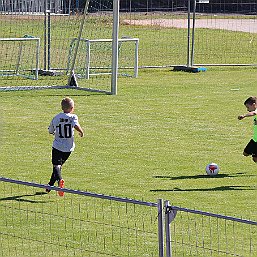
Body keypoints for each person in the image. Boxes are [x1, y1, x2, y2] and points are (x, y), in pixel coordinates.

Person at [46, 97, 84, 196]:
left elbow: (50, 130)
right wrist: (81, 131)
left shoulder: (56, 117)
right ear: (72, 108)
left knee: (56, 166)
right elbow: (75, 125)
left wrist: (53, 132)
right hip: (68, 148)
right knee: (58, 166)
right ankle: (49, 185)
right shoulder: (73, 117)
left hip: (58, 146)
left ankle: (60, 181)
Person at [238, 96, 257, 164]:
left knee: (253, 157)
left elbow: (254, 113)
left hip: (256, 141)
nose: (248, 110)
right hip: (255, 140)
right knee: (246, 154)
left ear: (254, 104)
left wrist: (244, 115)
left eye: (248, 107)